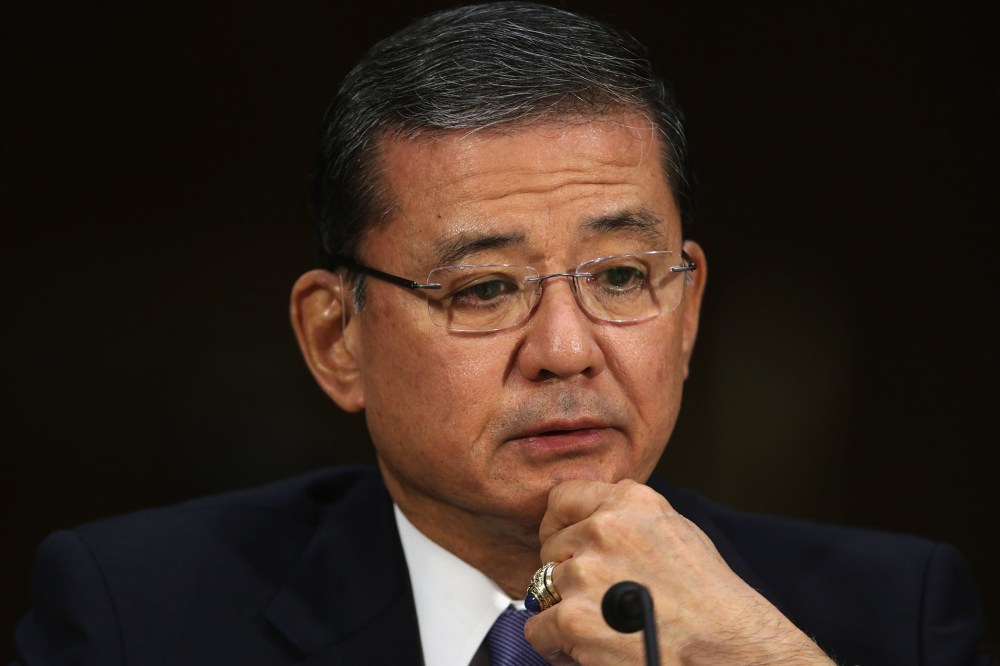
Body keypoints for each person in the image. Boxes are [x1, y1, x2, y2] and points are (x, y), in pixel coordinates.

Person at [12, 2, 992, 665]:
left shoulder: (886, 615)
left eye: (617, 276)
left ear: (686, 311)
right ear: (332, 337)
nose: (566, 349)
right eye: (482, 290)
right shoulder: (135, 617)